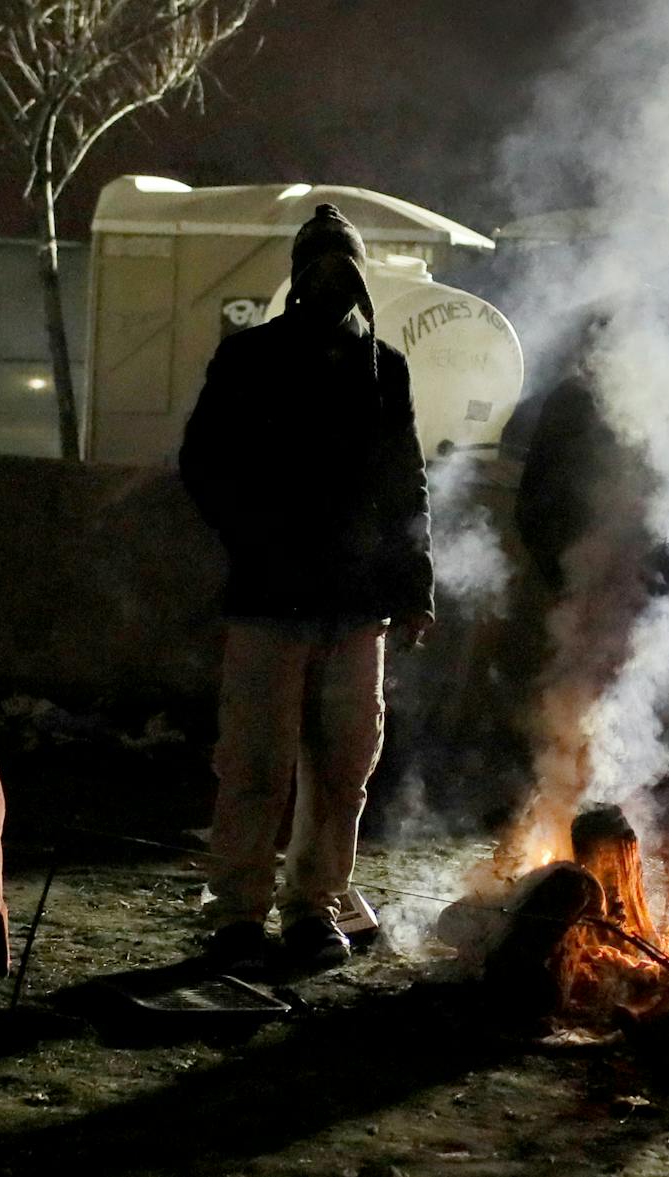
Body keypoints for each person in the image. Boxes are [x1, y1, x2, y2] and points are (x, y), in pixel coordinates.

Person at [179, 204, 434, 971]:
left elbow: (407, 486)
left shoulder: (385, 368)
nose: (330, 282)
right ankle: (237, 913)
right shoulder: (249, 359)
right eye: (318, 267)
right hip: (269, 599)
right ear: (298, 276)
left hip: (357, 611)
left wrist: (414, 584)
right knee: (255, 764)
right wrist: (255, 534)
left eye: (342, 267)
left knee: (342, 771)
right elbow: (202, 464)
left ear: (359, 275)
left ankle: (313, 906)